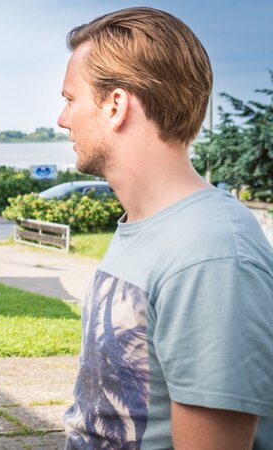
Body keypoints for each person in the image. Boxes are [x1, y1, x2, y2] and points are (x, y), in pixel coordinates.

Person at [57, 7, 273, 449]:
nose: (63, 118)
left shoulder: (210, 252)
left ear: (115, 105)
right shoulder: (145, 226)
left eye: (70, 99)